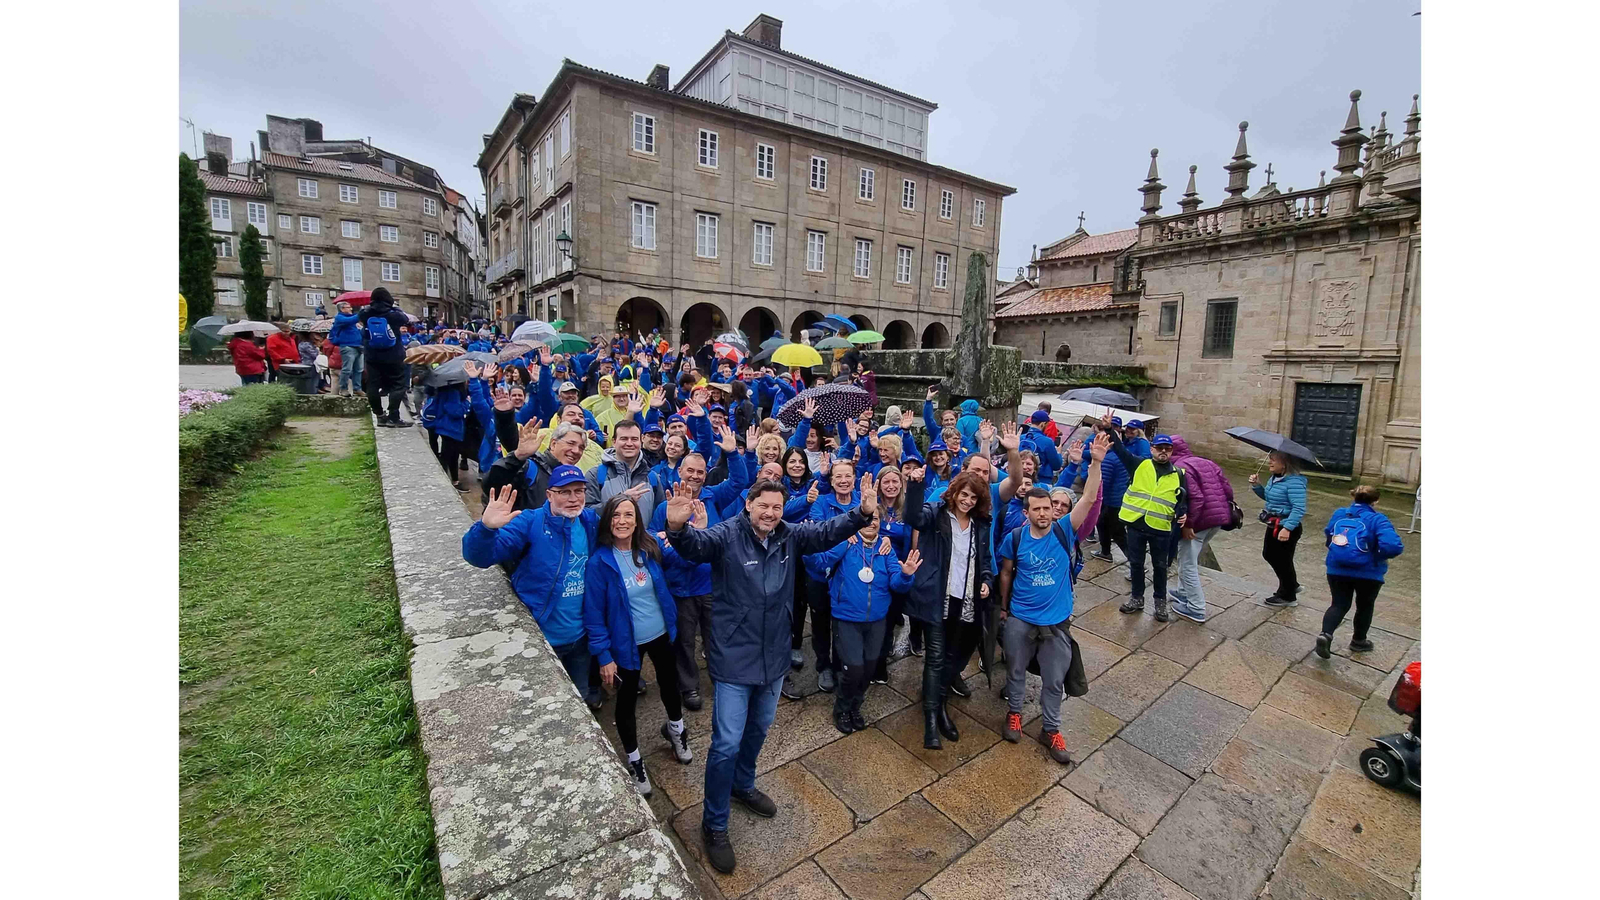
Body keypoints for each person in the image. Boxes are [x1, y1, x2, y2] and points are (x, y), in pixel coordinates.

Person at [663, 473, 879, 875]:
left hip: (774, 655)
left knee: (759, 729)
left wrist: (862, 513)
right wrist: (676, 527)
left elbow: (825, 532)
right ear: (749, 504)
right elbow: (695, 547)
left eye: (777, 507)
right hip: (733, 657)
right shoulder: (727, 535)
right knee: (726, 741)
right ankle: (714, 824)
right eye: (763, 505)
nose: (770, 513)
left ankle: (742, 785)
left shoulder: (789, 534)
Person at [995, 433, 1108, 763]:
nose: (1044, 513)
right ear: (1027, 510)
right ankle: (1014, 714)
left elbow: (1087, 499)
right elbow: (1005, 573)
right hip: (1020, 616)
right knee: (1015, 671)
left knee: (1054, 680)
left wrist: (1096, 462)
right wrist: (1004, 609)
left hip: (1056, 622)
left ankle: (1051, 728)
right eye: (1037, 509)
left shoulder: (1064, 531)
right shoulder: (1015, 538)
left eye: (1048, 508)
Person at [463, 469, 602, 709]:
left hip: (581, 637)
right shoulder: (530, 521)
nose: (573, 498)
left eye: (578, 491)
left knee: (578, 700)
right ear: (549, 494)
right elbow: (480, 557)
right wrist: (486, 528)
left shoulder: (589, 521)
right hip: (543, 636)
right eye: (564, 492)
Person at [584, 495, 692, 797]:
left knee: (670, 685)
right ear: (608, 520)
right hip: (625, 644)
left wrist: (681, 530)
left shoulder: (649, 548)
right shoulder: (599, 562)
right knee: (627, 699)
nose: (622, 521)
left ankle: (677, 730)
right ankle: (634, 760)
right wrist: (604, 655)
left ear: (637, 520)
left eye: (628, 515)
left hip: (661, 634)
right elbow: (593, 615)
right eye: (616, 515)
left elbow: (681, 561)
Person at [902, 466, 994, 750]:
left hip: (965, 600)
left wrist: (987, 579)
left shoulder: (980, 524)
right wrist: (915, 486)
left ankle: (939, 705)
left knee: (952, 657)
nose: (967, 501)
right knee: (937, 657)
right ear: (954, 493)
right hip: (937, 597)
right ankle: (931, 718)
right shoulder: (937, 512)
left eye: (973, 498)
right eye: (964, 495)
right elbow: (913, 517)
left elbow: (985, 558)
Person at [1110, 424, 1188, 622]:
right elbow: (1119, 449)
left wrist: (1184, 514)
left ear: (1171, 451)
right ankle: (1137, 597)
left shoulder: (1179, 474)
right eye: (1159, 448)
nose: (1163, 452)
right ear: (1152, 449)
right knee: (1136, 563)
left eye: (1167, 449)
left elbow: (1183, 500)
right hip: (1136, 523)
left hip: (1161, 527)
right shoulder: (1139, 465)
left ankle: (1160, 602)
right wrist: (1108, 429)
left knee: (1160, 566)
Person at [1314, 485, 1404, 658]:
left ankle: (1325, 634)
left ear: (1353, 496)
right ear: (1375, 501)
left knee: (1339, 604)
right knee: (1365, 605)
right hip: (1369, 573)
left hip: (1337, 569)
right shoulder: (1378, 520)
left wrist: (1337, 554)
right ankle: (1359, 641)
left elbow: (1329, 535)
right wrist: (1376, 557)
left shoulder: (1340, 513)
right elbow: (1392, 546)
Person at [802, 457, 862, 694]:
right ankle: (823, 665)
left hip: (851, 577)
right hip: (821, 575)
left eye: (848, 476)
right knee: (820, 621)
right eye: (838, 476)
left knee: (844, 622)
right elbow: (818, 538)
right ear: (831, 480)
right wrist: (847, 539)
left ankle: (840, 663)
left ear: (855, 479)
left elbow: (869, 535)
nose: (844, 480)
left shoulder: (862, 503)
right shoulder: (822, 504)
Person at [1166, 436, 1235, 623]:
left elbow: (1196, 499)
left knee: (1187, 563)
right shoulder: (1206, 462)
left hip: (1198, 522)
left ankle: (1196, 607)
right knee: (1188, 557)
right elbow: (1228, 490)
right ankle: (1183, 593)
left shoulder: (1181, 468)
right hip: (1217, 519)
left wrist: (1189, 524)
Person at [1251, 451, 1309, 607]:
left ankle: (1288, 596)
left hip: (1286, 526)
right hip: (1274, 524)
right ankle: (1291, 585)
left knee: (1281, 559)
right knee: (1270, 554)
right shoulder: (1275, 478)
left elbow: (1299, 508)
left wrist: (1288, 528)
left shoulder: (1295, 482)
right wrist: (1257, 486)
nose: (1270, 463)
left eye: (1273, 460)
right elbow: (1271, 499)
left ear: (1284, 463)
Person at [358, 287, 413, 426]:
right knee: (398, 385)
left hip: (372, 355)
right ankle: (394, 416)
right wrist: (396, 308)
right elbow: (405, 319)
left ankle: (380, 415)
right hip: (393, 355)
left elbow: (360, 316)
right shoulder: (394, 315)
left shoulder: (365, 314)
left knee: (372, 385)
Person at [586, 419, 656, 524]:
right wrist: (621, 500)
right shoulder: (595, 475)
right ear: (614, 441)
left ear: (641, 441)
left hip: (643, 539)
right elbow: (586, 513)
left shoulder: (652, 477)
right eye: (624, 439)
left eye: (634, 439)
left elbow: (659, 518)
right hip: (606, 539)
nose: (629, 443)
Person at [330, 301, 364, 396]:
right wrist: (362, 313)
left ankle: (357, 388)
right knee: (347, 369)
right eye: (348, 307)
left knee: (359, 369)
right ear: (342, 309)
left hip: (358, 346)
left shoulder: (352, 318)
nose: (351, 309)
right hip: (347, 346)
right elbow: (351, 320)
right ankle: (343, 389)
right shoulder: (340, 318)